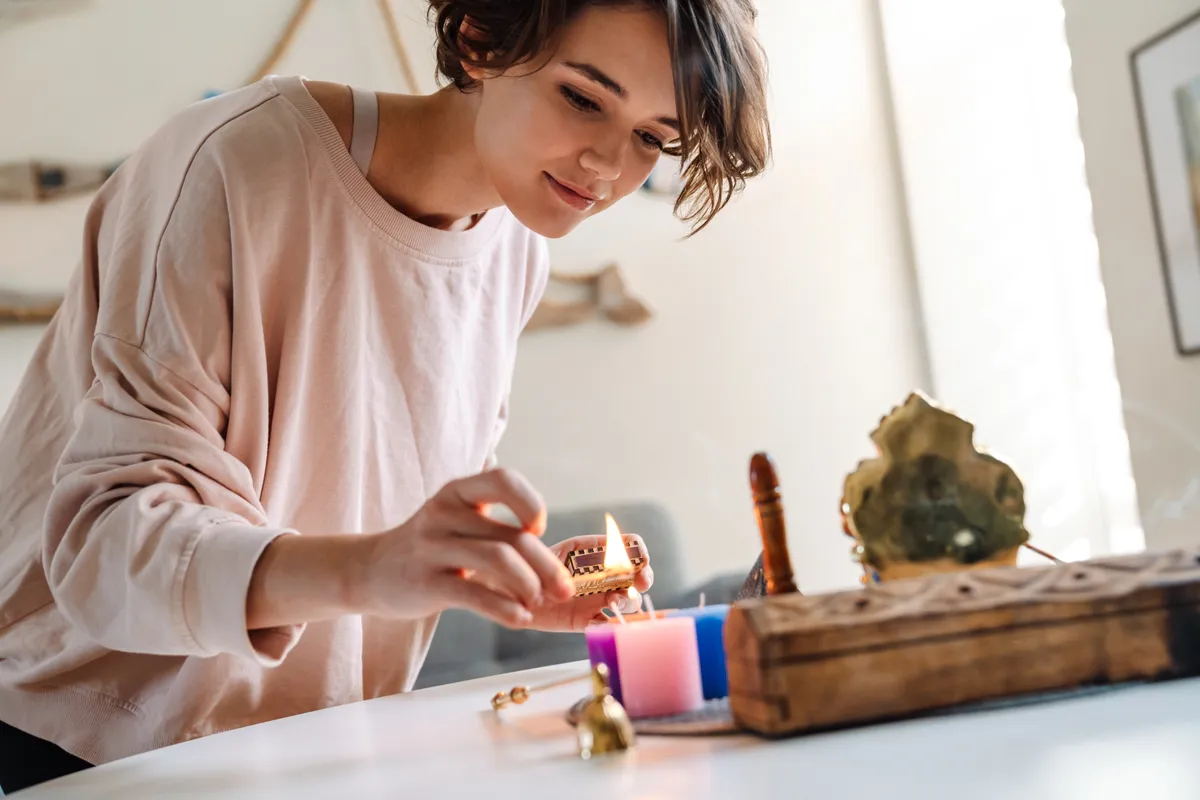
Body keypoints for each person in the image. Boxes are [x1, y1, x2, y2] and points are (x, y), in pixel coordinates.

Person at [0, 0, 770, 791]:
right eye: (582, 97)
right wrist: (373, 567)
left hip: (314, 748)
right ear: (479, 41)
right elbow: (102, 544)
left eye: (652, 137)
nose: (608, 163)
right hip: (88, 738)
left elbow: (370, 494)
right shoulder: (233, 167)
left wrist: (492, 572)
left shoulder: (515, 249)